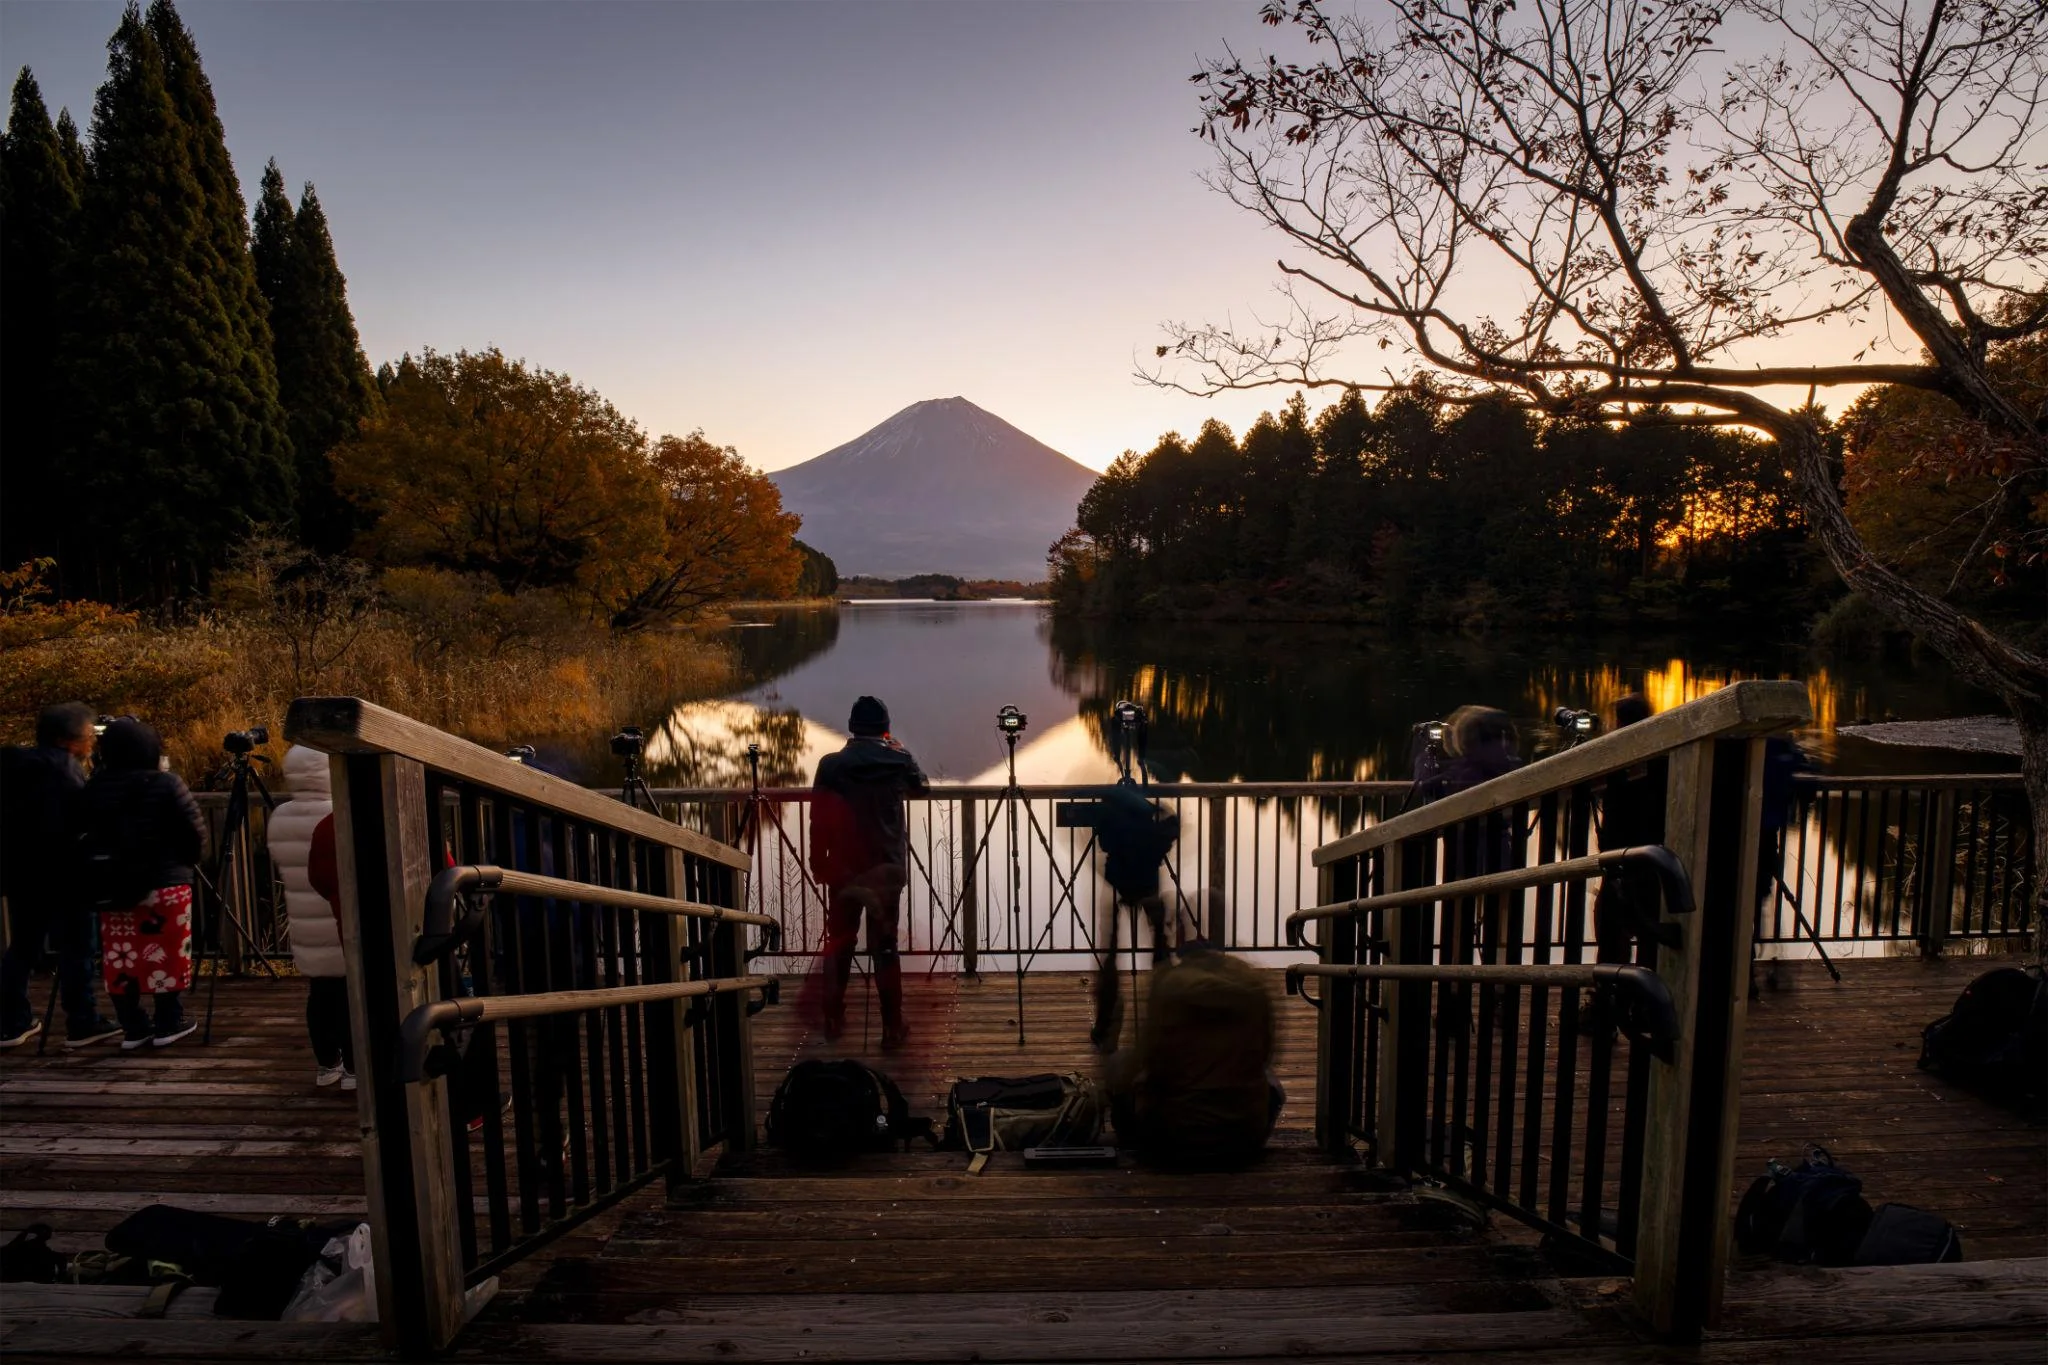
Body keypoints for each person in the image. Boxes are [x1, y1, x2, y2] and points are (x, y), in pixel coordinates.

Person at [808, 696, 928, 1049]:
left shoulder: (831, 765)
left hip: (843, 869)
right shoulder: (898, 760)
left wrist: (818, 862)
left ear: (852, 727)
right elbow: (922, 787)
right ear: (885, 729)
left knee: (840, 942)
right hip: (886, 869)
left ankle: (832, 1018)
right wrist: (903, 752)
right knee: (885, 946)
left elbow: (818, 818)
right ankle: (891, 1027)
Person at [79, 718, 207, 1049]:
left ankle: (133, 1026)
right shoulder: (167, 784)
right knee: (168, 954)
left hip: (112, 887)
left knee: (122, 958)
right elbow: (194, 833)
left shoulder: (94, 787)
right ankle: (168, 1021)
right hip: (165, 884)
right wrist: (188, 861)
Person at [0, 703, 122, 1049]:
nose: (91, 741)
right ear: (67, 740)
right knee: (77, 948)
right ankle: (83, 1022)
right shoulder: (64, 769)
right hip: (65, 875)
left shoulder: (17, 765)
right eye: (88, 735)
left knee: (23, 947)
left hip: (22, 874)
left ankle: (11, 1022)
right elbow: (82, 821)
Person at [1108, 945, 1282, 1168]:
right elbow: (1266, 1054)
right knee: (1270, 1078)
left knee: (1118, 1062)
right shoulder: (1251, 985)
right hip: (1245, 1136)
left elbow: (1144, 1060)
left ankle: (1131, 1141)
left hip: (1174, 1138)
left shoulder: (1169, 987)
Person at [267, 744, 353, 1088]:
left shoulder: (280, 816)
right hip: (338, 917)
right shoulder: (339, 814)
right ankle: (355, 1067)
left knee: (319, 993)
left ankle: (326, 1063)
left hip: (303, 922)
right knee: (349, 995)